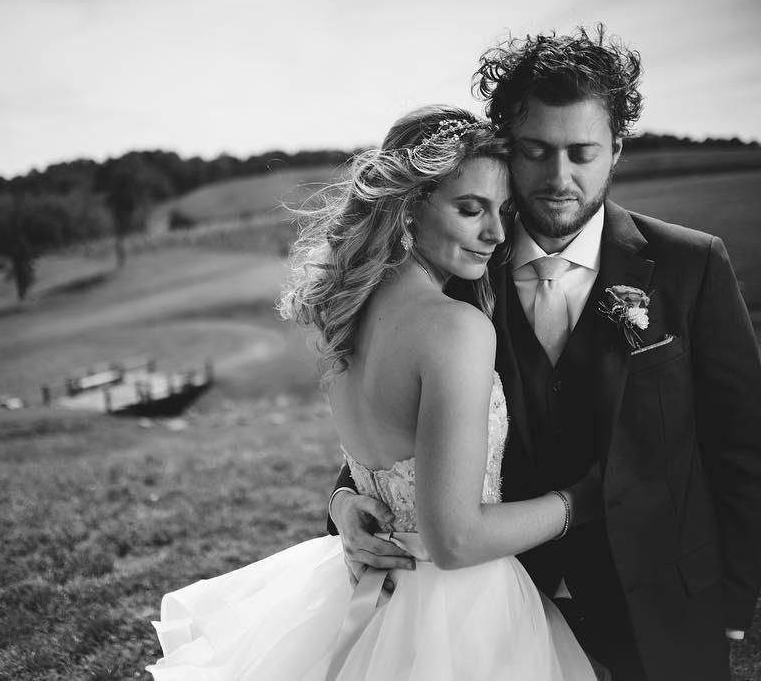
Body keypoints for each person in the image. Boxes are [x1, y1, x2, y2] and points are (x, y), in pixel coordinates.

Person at [328, 26, 761, 680]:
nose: (561, 177)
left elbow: (738, 445)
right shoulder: (461, 269)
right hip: (501, 609)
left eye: (583, 152)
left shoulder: (690, 265)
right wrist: (344, 502)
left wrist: (731, 601)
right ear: (508, 146)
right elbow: (398, 422)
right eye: (537, 152)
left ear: (615, 149)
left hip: (660, 607)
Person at [147, 105, 601, 680]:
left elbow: (380, 461)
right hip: (458, 608)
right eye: (470, 209)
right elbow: (456, 538)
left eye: (503, 210)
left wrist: (341, 502)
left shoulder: (346, 317)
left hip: (371, 592)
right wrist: (580, 501)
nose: (495, 232)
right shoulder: (455, 329)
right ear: (410, 208)